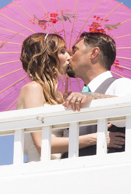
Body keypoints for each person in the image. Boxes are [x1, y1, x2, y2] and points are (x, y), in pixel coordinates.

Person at [16, 33, 118, 161]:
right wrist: (95, 138)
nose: (69, 57)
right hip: (41, 169)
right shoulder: (33, 88)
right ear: (48, 56)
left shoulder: (51, 95)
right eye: (63, 52)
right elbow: (42, 144)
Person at [60, 31, 131, 157]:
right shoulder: (76, 95)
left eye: (74, 51)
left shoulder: (122, 84)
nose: (69, 57)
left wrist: (93, 96)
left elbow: (128, 111)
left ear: (93, 53)